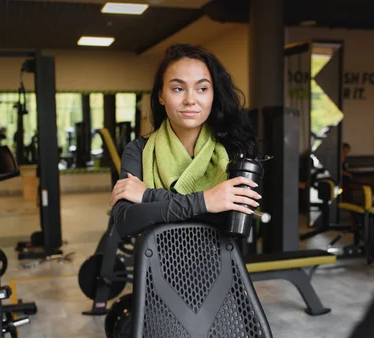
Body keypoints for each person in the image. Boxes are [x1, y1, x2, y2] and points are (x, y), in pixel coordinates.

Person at [110, 43, 261, 238]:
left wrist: (148, 196)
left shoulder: (234, 149)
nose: (190, 99)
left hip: (223, 265)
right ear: (161, 96)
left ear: (213, 95)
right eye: (178, 88)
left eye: (202, 88)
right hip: (155, 264)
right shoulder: (138, 150)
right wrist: (206, 202)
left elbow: (236, 222)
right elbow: (125, 221)